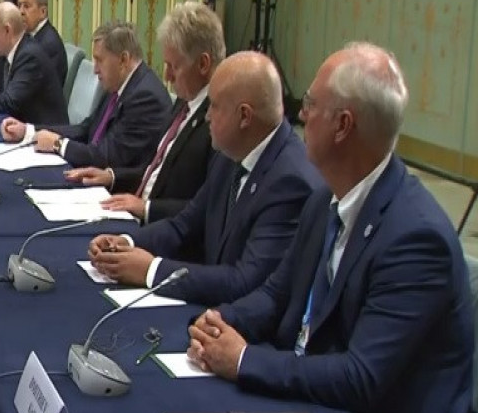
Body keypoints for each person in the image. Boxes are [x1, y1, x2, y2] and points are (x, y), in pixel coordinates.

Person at [188, 43, 475, 413]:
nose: (300, 115)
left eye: (311, 104)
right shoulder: (325, 198)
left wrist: (243, 359)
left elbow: (361, 377)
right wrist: (219, 322)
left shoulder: (417, 239)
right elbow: (277, 293)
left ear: (343, 126)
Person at [88, 51, 320, 306]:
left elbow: (246, 281)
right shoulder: (231, 153)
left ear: (244, 116)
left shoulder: (289, 181)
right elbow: (184, 225)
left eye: (215, 106)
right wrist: (125, 243)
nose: (207, 116)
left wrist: (151, 270)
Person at [67, 0, 221, 224]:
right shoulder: (184, 102)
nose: (167, 76)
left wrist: (146, 209)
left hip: (160, 229)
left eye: (174, 66)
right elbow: (155, 170)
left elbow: (207, 209)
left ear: (203, 64)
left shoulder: (217, 120)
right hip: (134, 211)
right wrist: (111, 176)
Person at [0, 20, 171, 170]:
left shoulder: (144, 97)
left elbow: (107, 156)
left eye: (100, 60)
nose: (95, 70)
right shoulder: (120, 85)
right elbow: (87, 129)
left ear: (123, 60)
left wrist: (58, 144)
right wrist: (28, 131)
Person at [16, 0, 68, 88]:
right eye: (19, 6)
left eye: (26, 6)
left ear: (43, 12)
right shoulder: (31, 36)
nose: (21, 11)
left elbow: (33, 89)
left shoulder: (48, 45)